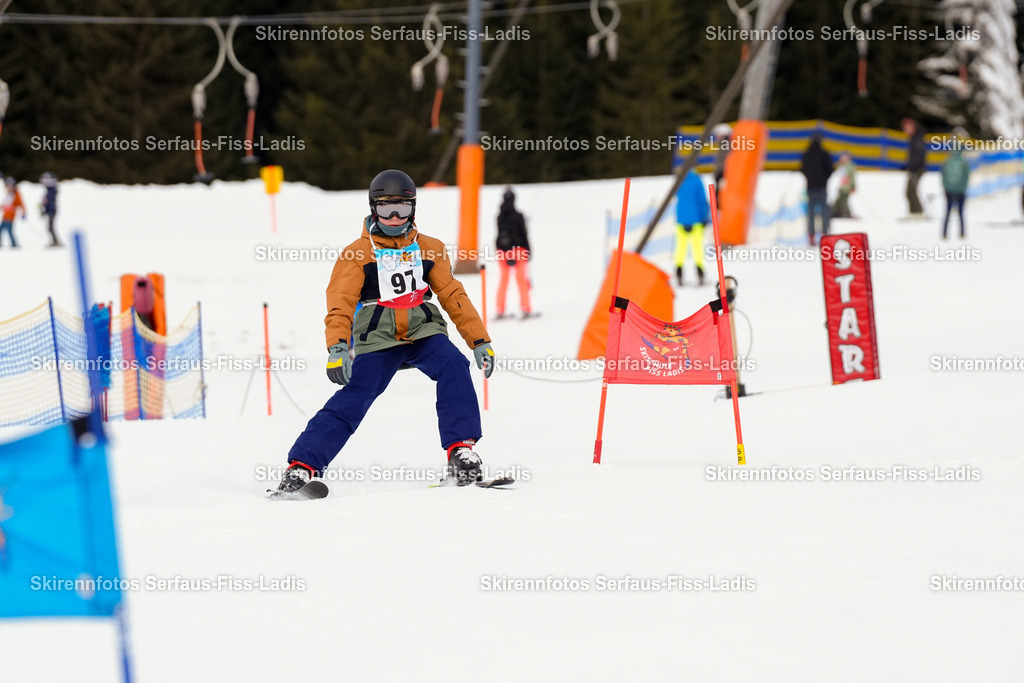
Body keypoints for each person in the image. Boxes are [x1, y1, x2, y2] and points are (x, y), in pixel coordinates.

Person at [273, 169, 495, 495]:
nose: (393, 217)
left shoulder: (429, 248)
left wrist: (479, 340)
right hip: (378, 337)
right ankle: (301, 468)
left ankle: (461, 452)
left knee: (454, 364)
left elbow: (453, 295)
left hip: (423, 330)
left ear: (413, 210)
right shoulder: (357, 253)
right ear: (372, 208)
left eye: (402, 209)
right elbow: (340, 304)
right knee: (356, 394)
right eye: (385, 209)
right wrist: (338, 348)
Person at [495, 187, 532, 319]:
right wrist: (528, 251)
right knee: (522, 280)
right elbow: (523, 235)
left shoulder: (499, 217)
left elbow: (500, 235)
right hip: (518, 250)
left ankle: (500, 310)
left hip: (501, 251)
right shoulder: (518, 216)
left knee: (503, 280)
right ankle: (526, 308)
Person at [673, 169, 710, 286]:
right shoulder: (697, 180)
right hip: (696, 219)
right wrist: (705, 217)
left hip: (681, 219)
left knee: (680, 247)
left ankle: (679, 272)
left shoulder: (679, 180)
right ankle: (700, 273)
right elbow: (702, 200)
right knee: (697, 247)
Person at [800, 134, 834, 245]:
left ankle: (811, 235)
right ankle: (825, 234)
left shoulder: (806, 154)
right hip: (822, 187)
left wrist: (810, 178)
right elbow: (830, 169)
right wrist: (824, 179)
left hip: (810, 187)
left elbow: (803, 169)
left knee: (811, 213)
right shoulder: (824, 154)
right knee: (824, 212)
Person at [941, 133, 970, 240]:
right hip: (960, 191)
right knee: (961, 213)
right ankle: (962, 233)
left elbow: (943, 176)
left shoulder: (947, 162)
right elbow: (966, 177)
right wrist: (963, 188)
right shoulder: (964, 163)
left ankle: (944, 233)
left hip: (949, 191)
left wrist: (946, 187)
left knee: (947, 212)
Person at [902, 118, 926, 216]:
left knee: (911, 191)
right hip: (914, 168)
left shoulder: (917, 139)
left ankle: (917, 212)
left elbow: (919, 156)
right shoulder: (913, 138)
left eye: (908, 127)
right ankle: (914, 211)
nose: (906, 129)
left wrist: (911, 167)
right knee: (910, 191)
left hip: (917, 169)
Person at [711, 123, 732, 211]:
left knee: (720, 195)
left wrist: (720, 173)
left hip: (724, 174)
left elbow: (726, 161)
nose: (717, 137)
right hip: (721, 173)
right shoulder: (724, 145)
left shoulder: (726, 145)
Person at [0, 176, 26, 248]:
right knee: (2, 230)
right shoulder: (9, 194)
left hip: (10, 217)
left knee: (9, 231)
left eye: (9, 186)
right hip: (5, 216)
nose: (7, 188)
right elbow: (5, 204)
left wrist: (24, 213)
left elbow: (21, 204)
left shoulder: (16, 194)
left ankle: (14, 244)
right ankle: (13, 243)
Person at [40, 172, 62, 247]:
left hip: (52, 211)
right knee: (50, 227)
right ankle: (54, 241)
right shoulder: (50, 191)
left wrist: (46, 210)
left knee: (50, 227)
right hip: (51, 211)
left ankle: (55, 241)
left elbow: (49, 202)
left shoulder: (51, 191)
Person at [831, 152, 856, 219]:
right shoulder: (842, 166)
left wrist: (853, 186)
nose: (841, 158)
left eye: (843, 157)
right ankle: (838, 213)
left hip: (846, 187)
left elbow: (851, 177)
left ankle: (845, 213)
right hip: (841, 187)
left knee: (843, 200)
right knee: (840, 200)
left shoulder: (850, 166)